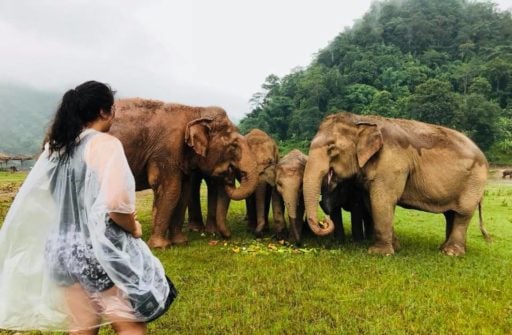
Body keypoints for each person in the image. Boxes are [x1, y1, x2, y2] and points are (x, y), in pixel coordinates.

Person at [0, 81, 175, 334]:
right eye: (113, 109)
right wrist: (134, 227)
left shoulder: (55, 149)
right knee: (128, 325)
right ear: (104, 111)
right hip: (95, 250)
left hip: (60, 248)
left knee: (82, 325)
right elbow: (116, 204)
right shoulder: (105, 144)